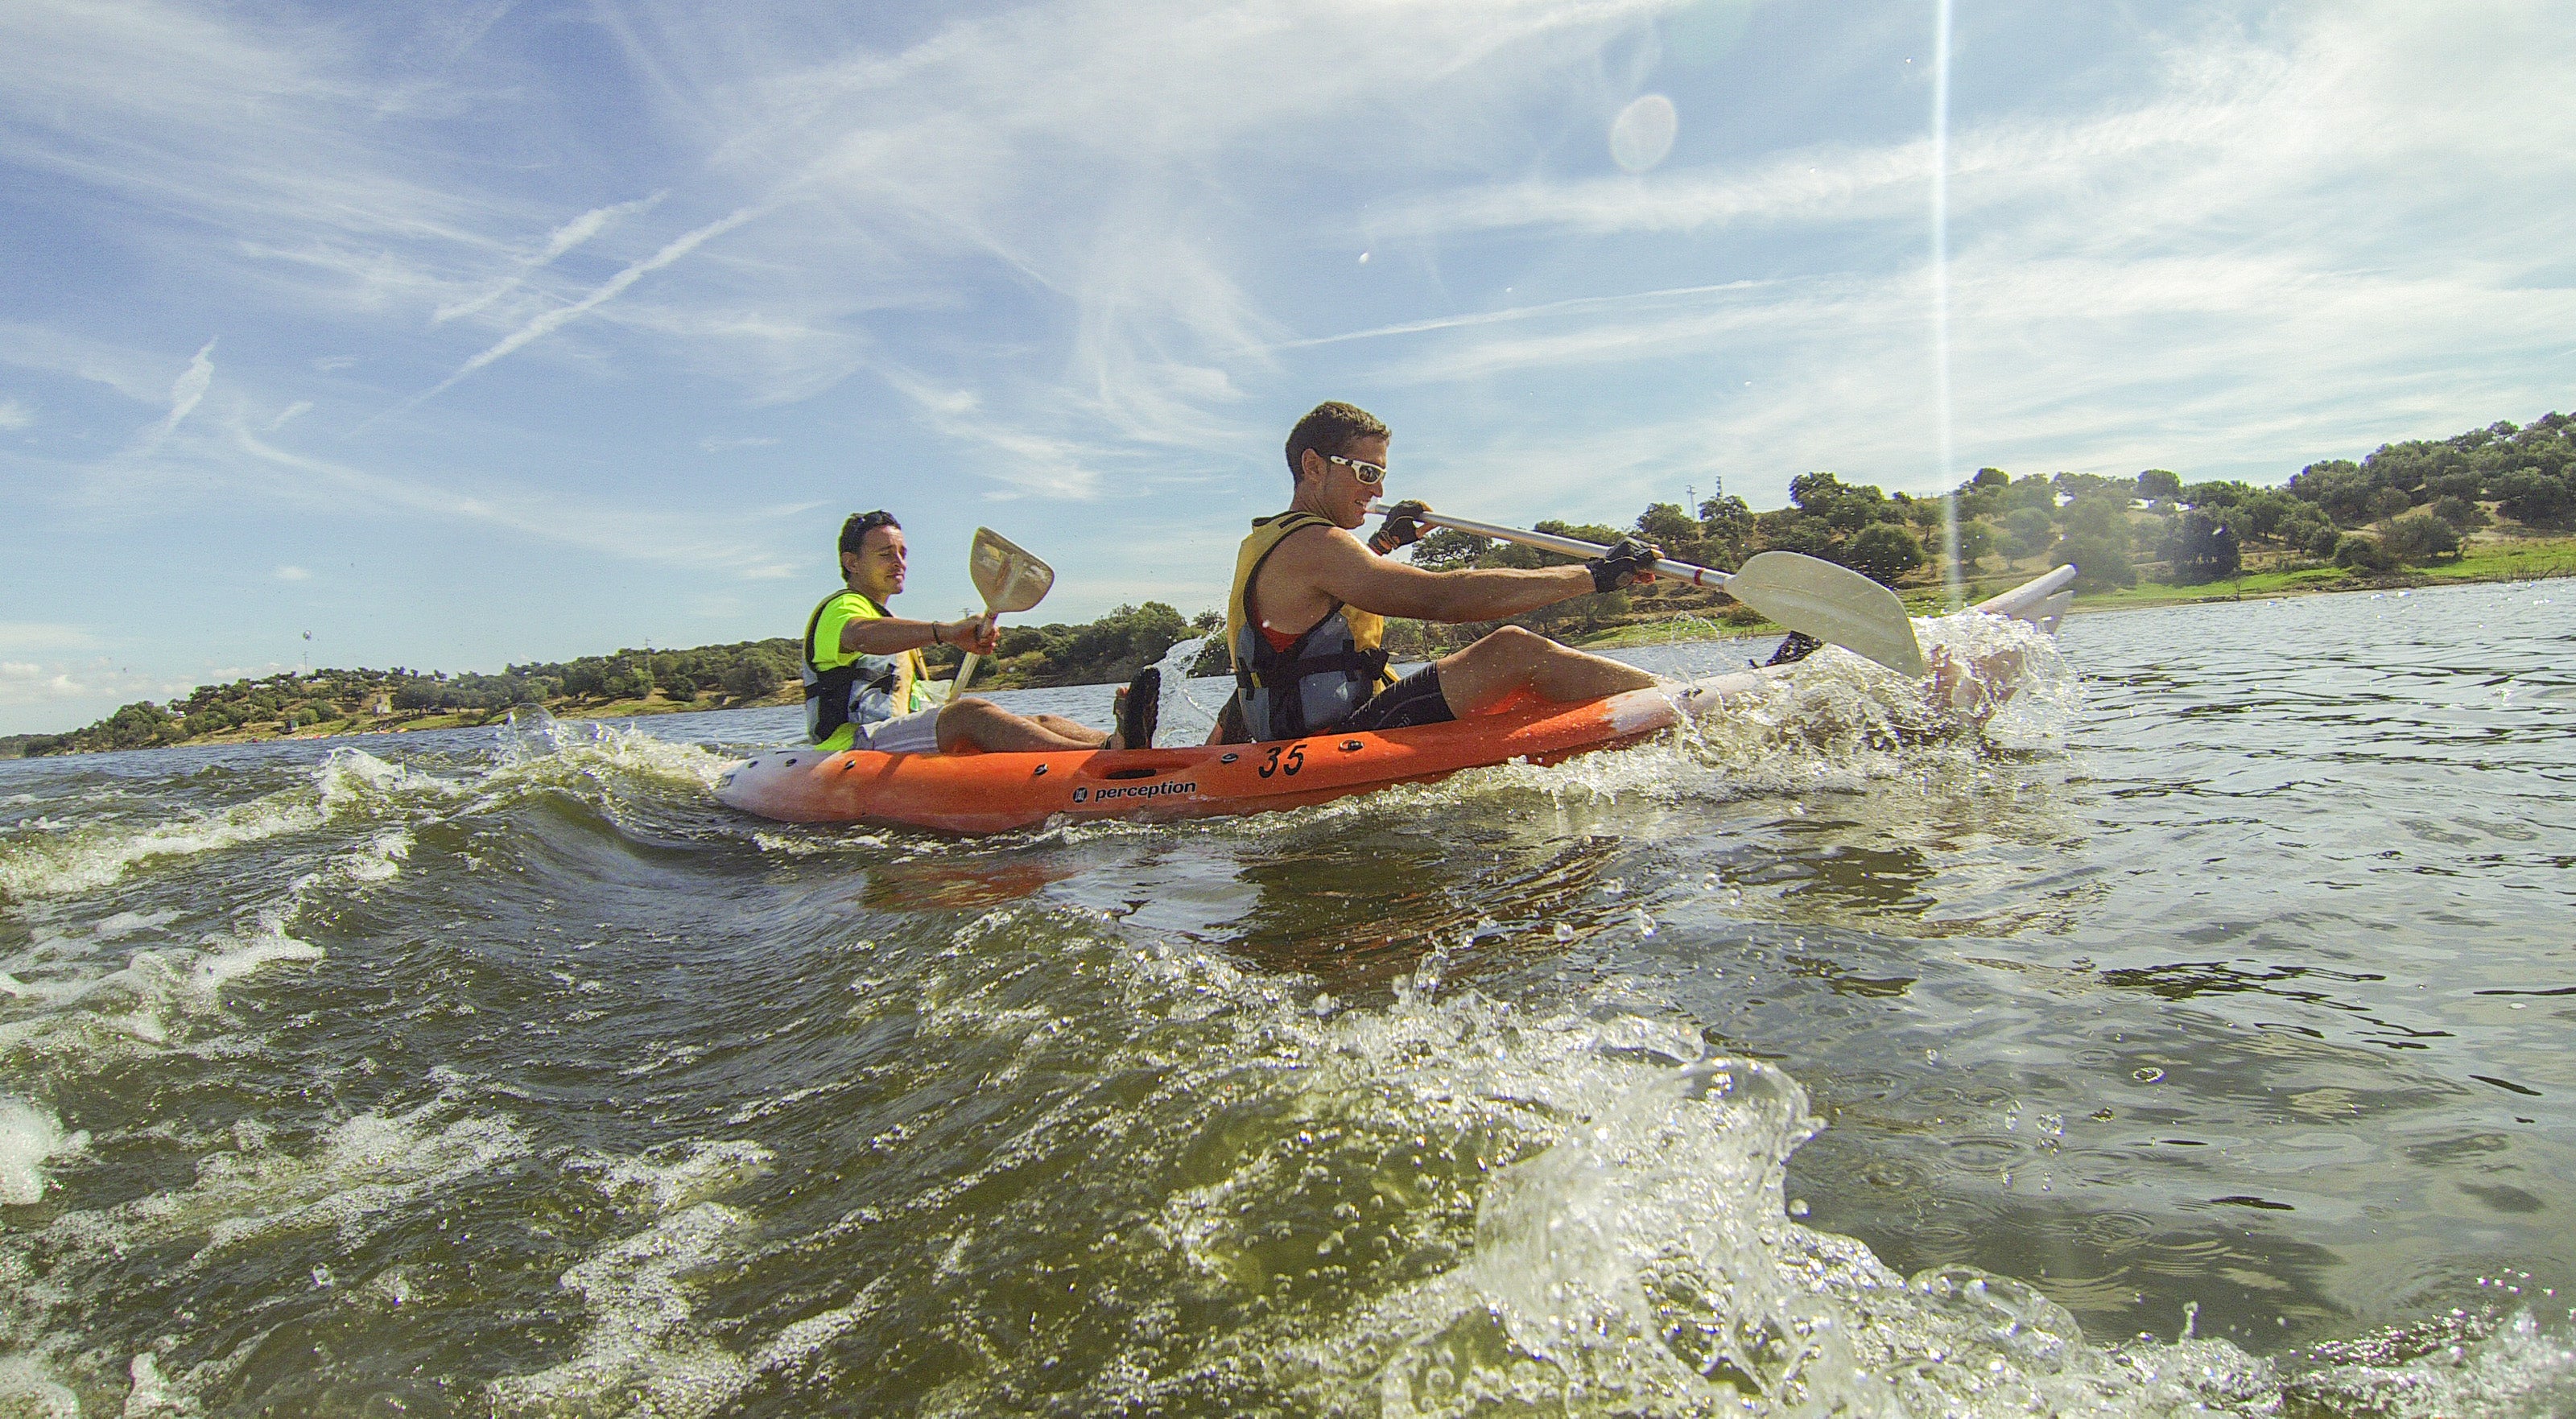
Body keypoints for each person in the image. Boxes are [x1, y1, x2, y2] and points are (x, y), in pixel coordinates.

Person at [1220, 402, 1665, 744]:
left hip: (1312, 732)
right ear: (1314, 467)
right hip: (1332, 741)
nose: (1378, 490)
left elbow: (1282, 655)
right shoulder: (1316, 543)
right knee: (1512, 651)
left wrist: (1385, 545)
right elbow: (1442, 600)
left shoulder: (1272, 541)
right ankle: (1681, 708)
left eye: (1381, 474)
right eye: (1366, 472)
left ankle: (1655, 705)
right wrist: (1596, 574)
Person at [805, 510, 1158, 755]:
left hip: (894, 737)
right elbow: (861, 635)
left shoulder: (886, 617)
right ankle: (1105, 754)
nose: (899, 562)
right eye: (885, 554)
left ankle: (1131, 745)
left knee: (1041, 721)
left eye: (902, 552)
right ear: (852, 563)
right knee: (970, 714)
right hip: (850, 745)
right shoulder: (842, 608)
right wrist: (947, 632)